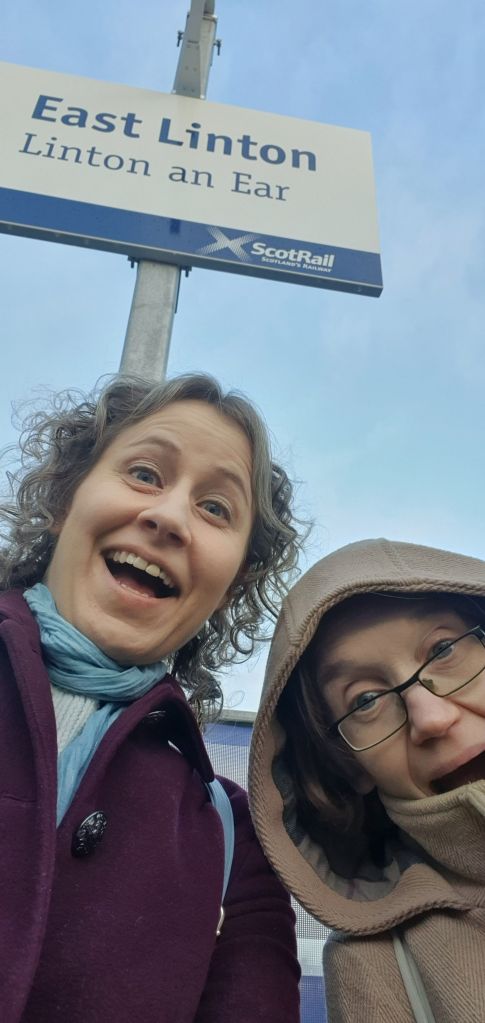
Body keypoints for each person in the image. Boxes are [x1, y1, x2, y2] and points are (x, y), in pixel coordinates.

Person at [0, 372, 302, 1023]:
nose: (168, 518)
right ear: (64, 499)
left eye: (215, 508)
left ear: (232, 583)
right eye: (144, 473)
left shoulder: (234, 839)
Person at [249, 537, 485, 1023]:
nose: (432, 717)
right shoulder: (377, 963)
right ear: (349, 767)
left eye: (443, 649)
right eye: (365, 701)